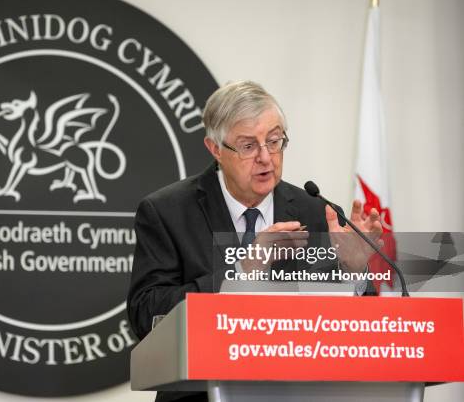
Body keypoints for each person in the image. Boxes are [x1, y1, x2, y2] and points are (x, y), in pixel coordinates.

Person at [127, 80, 382, 402]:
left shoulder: (319, 212)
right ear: (215, 149)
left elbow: (362, 332)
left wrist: (355, 272)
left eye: (274, 141)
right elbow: (145, 315)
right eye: (248, 146)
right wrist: (243, 269)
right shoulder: (167, 211)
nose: (266, 157)